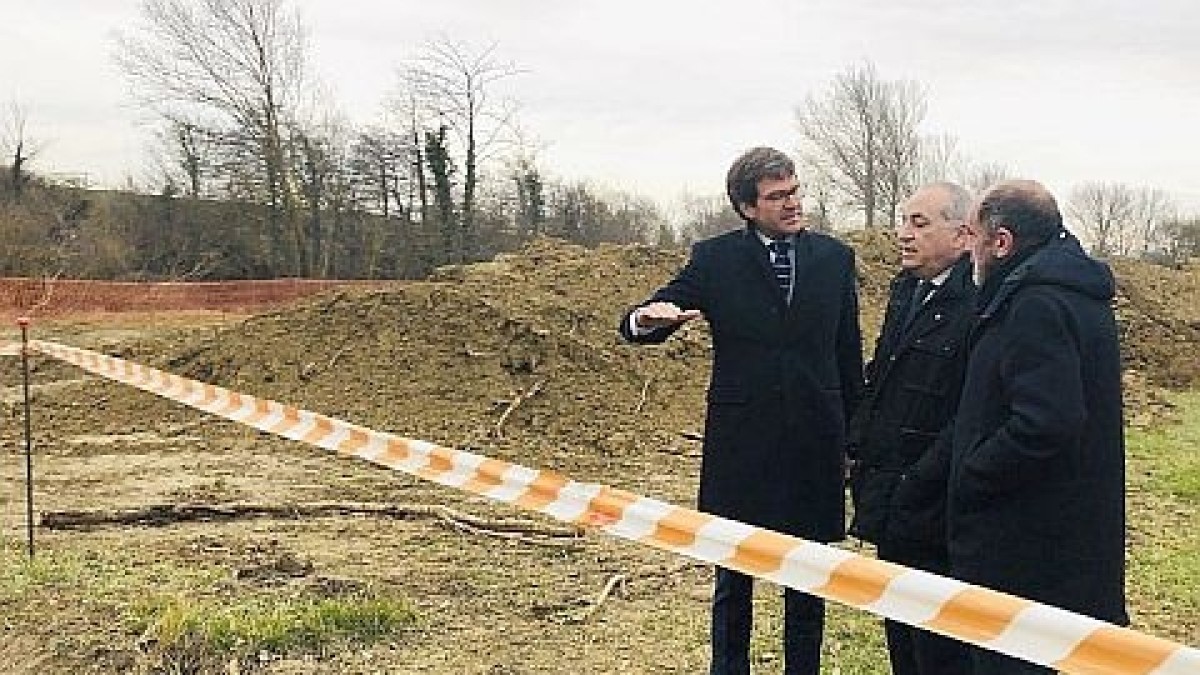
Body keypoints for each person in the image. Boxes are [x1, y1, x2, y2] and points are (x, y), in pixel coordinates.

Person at [618, 146, 863, 675]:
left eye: (795, 191)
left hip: (814, 440)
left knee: (808, 577)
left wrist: (854, 440)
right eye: (778, 197)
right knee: (733, 576)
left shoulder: (834, 259)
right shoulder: (714, 259)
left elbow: (847, 352)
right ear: (748, 208)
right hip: (741, 444)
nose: (793, 204)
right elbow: (645, 316)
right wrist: (647, 319)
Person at [951, 180, 1127, 674]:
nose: (970, 250)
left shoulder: (1035, 305)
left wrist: (976, 470)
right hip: (1070, 543)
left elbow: (1047, 421)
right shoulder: (1075, 294)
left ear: (1001, 242)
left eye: (975, 236)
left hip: (1032, 547)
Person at [847, 182, 974, 675]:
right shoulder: (908, 289)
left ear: (963, 235)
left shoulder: (977, 302)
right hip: (889, 494)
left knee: (938, 644)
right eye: (903, 221)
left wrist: (922, 479)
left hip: (935, 503)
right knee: (900, 629)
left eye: (919, 224)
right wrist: (855, 443)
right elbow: (884, 377)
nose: (903, 235)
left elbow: (967, 412)